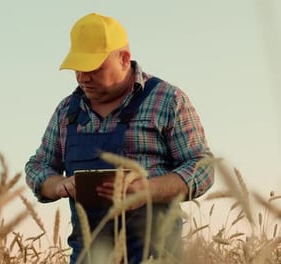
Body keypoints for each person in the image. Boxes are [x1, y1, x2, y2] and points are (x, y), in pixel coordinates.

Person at [25, 12, 214, 264]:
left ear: (124, 58)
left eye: (93, 68)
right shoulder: (66, 111)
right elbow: (37, 166)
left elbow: (202, 167)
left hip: (156, 256)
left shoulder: (167, 100)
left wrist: (146, 190)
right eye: (77, 69)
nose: (83, 77)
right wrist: (58, 185)